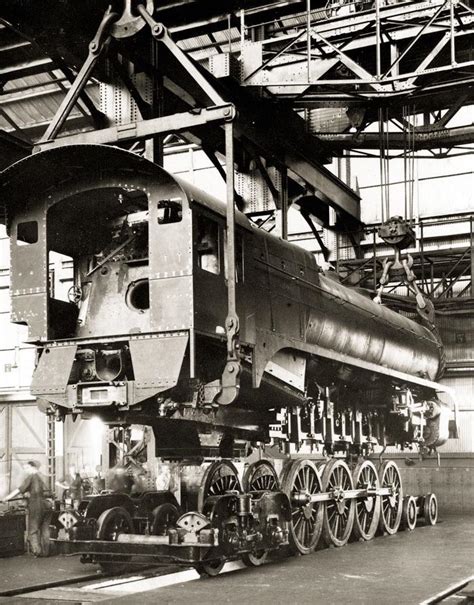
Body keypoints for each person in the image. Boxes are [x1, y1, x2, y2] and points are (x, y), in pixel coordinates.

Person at [2, 460, 50, 557]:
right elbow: (46, 492)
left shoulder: (32, 477)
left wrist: (7, 498)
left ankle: (38, 552)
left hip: (36, 506)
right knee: (45, 529)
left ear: (33, 468)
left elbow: (19, 490)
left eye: (27, 468)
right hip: (47, 505)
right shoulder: (43, 477)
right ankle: (46, 552)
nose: (26, 471)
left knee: (33, 529)